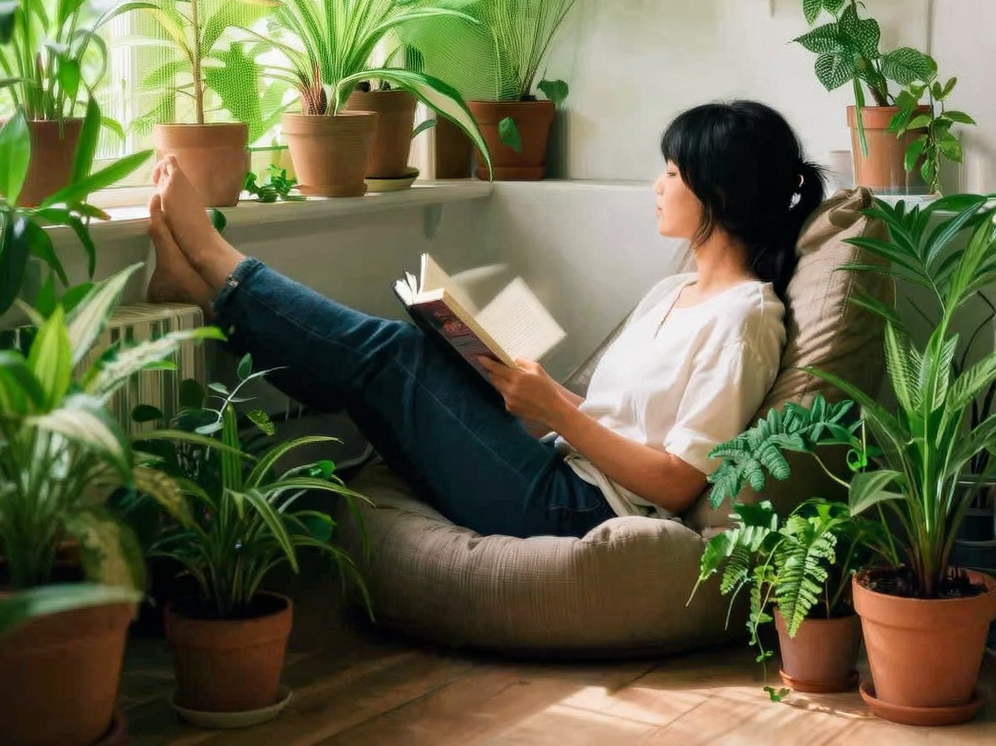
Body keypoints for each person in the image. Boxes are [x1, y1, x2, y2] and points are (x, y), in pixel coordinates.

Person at [147, 100, 825, 539]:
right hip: (558, 465)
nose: (656, 185)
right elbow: (609, 420)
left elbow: (680, 480)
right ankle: (210, 298)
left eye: (671, 172)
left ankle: (212, 256)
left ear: (721, 195)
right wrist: (525, 384)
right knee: (407, 354)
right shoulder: (671, 291)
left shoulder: (745, 320)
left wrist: (557, 412)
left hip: (578, 512)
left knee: (391, 357)